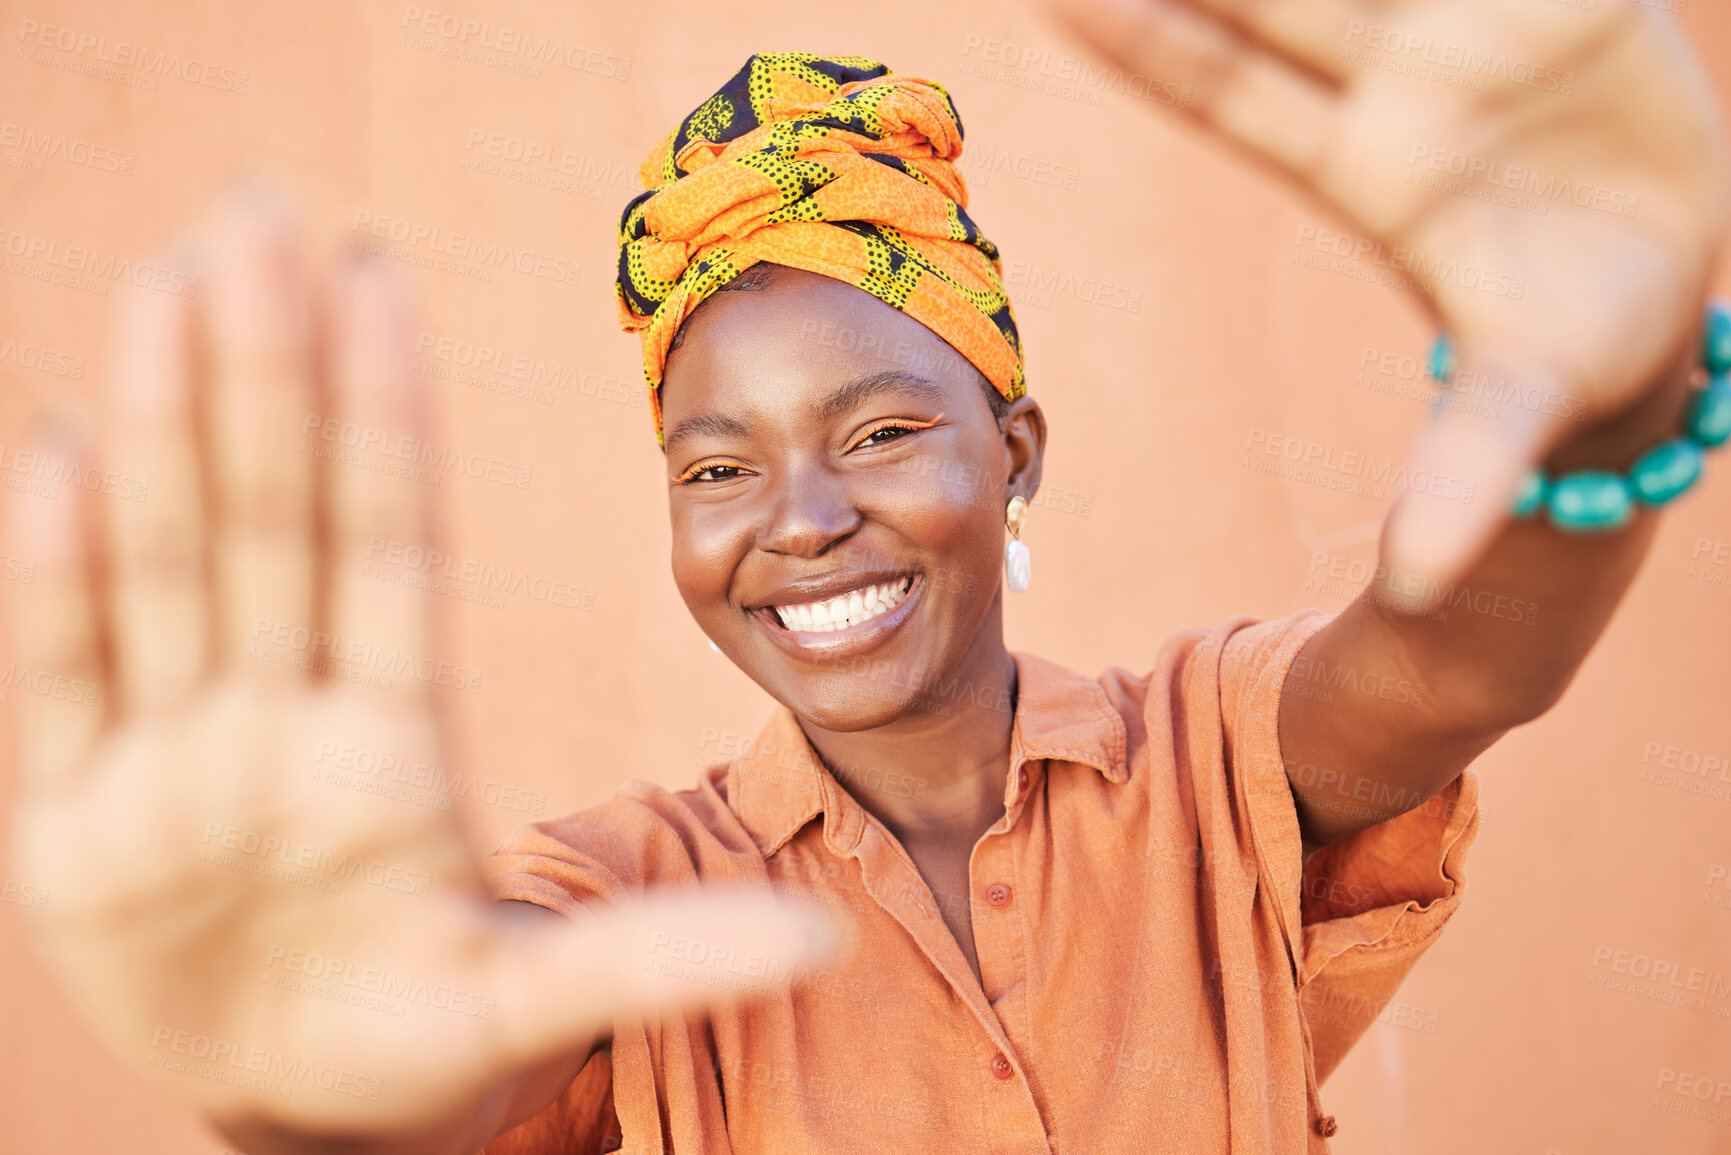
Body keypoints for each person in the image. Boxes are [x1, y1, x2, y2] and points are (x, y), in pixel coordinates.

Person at [7, 3, 1728, 1154]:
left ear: (1019, 448)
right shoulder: (619, 902)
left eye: (883, 431)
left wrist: (1608, 401)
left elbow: (1453, 663)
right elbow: (443, 1054)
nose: (800, 519)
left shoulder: (1208, 762)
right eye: (719, 468)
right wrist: (300, 1092)